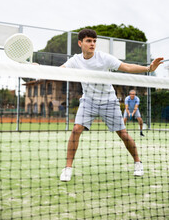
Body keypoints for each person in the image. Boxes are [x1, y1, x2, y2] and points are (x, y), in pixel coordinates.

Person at [60, 29, 163, 181]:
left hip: (109, 101)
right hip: (88, 101)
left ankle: (138, 163)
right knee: (76, 129)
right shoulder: (75, 60)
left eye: (94, 41)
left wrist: (148, 68)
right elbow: (60, 70)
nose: (92, 44)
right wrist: (38, 68)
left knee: (122, 133)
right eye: (89, 41)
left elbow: (127, 67)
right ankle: (67, 168)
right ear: (80, 43)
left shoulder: (104, 58)